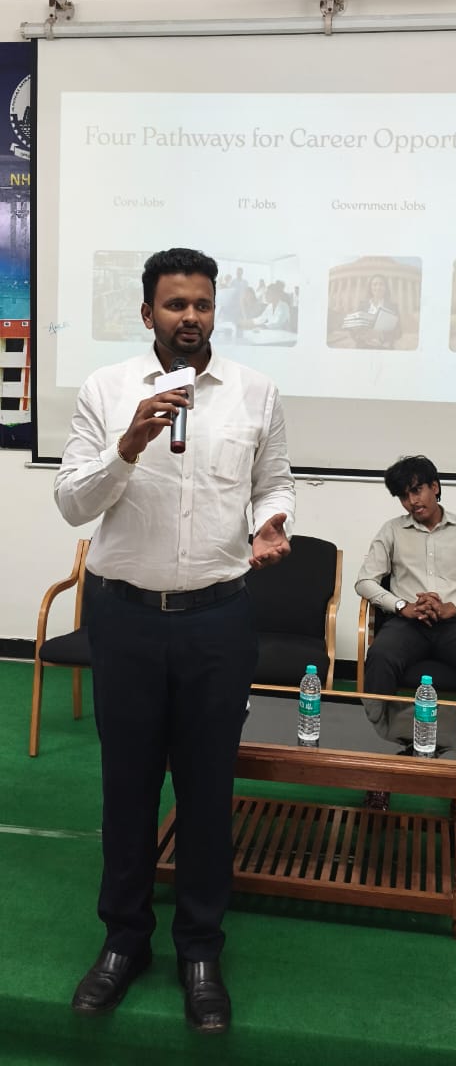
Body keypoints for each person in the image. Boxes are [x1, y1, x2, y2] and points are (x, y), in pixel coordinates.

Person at [55, 247, 295, 1032]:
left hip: (218, 620)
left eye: (202, 304)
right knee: (127, 789)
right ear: (146, 312)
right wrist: (126, 446)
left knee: (206, 791)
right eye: (174, 304)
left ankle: (200, 951)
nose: (190, 316)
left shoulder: (256, 392)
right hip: (125, 618)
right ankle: (124, 942)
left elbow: (273, 480)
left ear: (215, 309)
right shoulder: (105, 390)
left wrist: (272, 521)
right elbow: (71, 503)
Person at [355, 455, 456, 828]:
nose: (412, 501)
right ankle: (378, 768)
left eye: (417, 490)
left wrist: (453, 607)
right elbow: (365, 581)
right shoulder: (391, 530)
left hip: (454, 625)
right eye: (404, 496)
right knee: (380, 658)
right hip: (408, 624)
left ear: (435, 487)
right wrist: (401, 606)